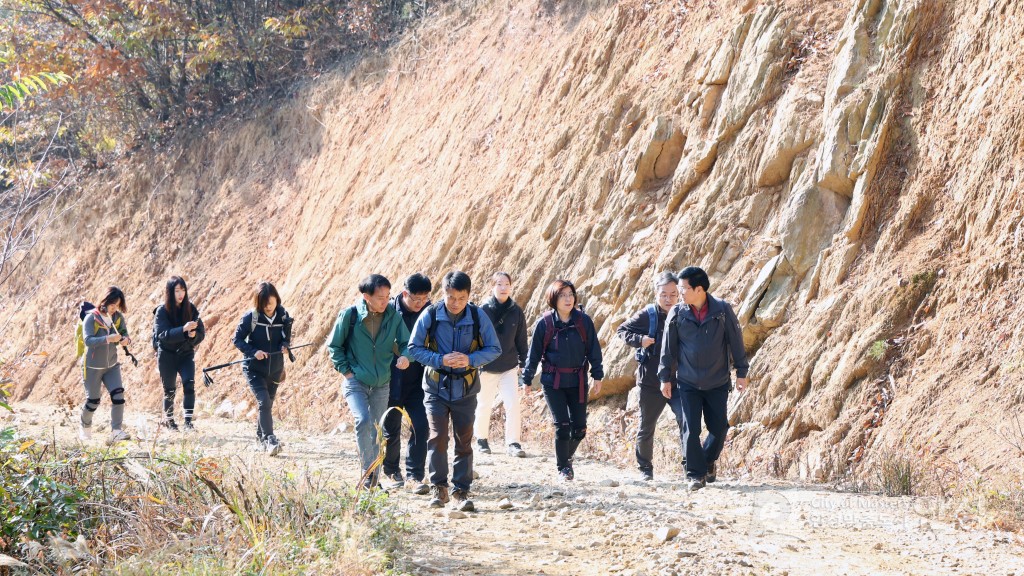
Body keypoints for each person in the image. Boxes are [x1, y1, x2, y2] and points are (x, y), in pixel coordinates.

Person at [408, 271, 501, 511]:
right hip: (435, 387)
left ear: (469, 296)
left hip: (467, 389)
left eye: (461, 298)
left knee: (464, 440)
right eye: (451, 297)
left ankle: (462, 491)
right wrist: (440, 360)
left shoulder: (478, 316)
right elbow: (414, 347)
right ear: (443, 294)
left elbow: (494, 349)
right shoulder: (430, 314)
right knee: (437, 437)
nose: (456, 303)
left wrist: (470, 360)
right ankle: (440, 488)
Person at [658, 266, 748, 491]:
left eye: (683, 289)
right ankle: (695, 475)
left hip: (717, 381)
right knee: (691, 429)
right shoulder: (677, 313)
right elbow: (667, 349)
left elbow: (736, 342)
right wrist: (665, 377)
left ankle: (707, 460)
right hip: (688, 382)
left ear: (699, 289)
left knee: (719, 429)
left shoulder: (722, 310)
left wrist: (742, 372)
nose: (680, 294)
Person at [327, 274, 412, 489]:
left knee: (377, 429)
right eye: (380, 297)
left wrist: (404, 357)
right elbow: (334, 346)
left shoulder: (393, 316)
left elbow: (406, 343)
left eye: (388, 296)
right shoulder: (350, 315)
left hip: (382, 382)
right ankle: (368, 474)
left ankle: (373, 478)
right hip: (356, 381)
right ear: (367, 297)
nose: (386, 301)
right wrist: (347, 372)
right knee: (363, 421)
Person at [521, 280, 603, 481]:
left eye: (570, 294)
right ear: (553, 299)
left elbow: (594, 349)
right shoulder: (546, 323)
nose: (568, 299)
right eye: (562, 295)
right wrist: (527, 378)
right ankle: (563, 467)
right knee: (562, 425)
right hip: (553, 382)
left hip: (578, 381)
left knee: (580, 429)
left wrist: (598, 375)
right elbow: (534, 354)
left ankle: (566, 457)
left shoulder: (583, 321)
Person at [616, 271, 684, 481]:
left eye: (673, 294)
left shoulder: (684, 313)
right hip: (650, 382)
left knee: (687, 422)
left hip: (678, 381)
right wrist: (640, 339)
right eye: (664, 294)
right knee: (647, 427)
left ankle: (690, 467)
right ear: (656, 293)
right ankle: (645, 469)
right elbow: (622, 330)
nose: (668, 299)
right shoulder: (648, 315)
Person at [381, 273, 433, 494]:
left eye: (424, 299)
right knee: (390, 428)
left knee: (421, 426)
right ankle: (392, 471)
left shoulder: (431, 313)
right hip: (391, 379)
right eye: (415, 299)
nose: (420, 304)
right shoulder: (389, 312)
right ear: (404, 294)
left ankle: (415, 475)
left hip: (418, 382)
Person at [233, 281, 293, 456]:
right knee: (264, 402)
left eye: (271, 303)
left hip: (275, 368)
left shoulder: (283, 316)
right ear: (258, 302)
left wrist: (285, 345)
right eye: (264, 304)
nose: (268, 307)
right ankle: (270, 439)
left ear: (277, 299)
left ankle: (260, 438)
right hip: (254, 369)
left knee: (267, 404)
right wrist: (254, 351)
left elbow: (286, 337)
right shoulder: (250, 318)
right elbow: (236, 339)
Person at [475, 272, 529, 458]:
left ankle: (513, 443)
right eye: (499, 284)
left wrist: (524, 362)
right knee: (484, 404)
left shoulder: (516, 311)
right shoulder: (483, 310)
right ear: (492, 287)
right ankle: (481, 440)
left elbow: (521, 340)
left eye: (506, 284)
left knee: (513, 404)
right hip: (486, 367)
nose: (503, 287)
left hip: (509, 366)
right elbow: (475, 338)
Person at [79, 286, 133, 444]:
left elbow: (125, 334)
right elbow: (88, 340)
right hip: (92, 366)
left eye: (117, 305)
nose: (114, 308)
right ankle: (85, 428)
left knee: (118, 395)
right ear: (105, 301)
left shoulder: (117, 317)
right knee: (93, 401)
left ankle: (116, 431)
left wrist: (125, 340)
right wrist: (108, 339)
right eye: (112, 305)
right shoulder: (91, 318)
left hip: (112, 365)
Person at [154, 276, 206, 431]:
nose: (180, 294)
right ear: (170, 292)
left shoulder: (190, 308)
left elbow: (201, 333)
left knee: (189, 384)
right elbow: (162, 335)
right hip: (166, 355)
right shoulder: (161, 311)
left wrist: (193, 336)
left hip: (185, 354)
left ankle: (188, 422)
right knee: (169, 390)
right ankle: (169, 421)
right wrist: (183, 330)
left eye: (183, 290)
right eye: (177, 291)